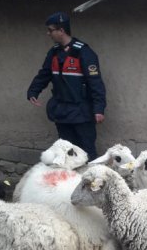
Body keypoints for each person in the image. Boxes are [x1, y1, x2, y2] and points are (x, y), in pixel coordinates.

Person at [27, 12, 106, 158]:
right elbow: (45, 74)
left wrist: (99, 109)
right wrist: (33, 91)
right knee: (66, 153)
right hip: (62, 111)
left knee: (87, 152)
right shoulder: (54, 52)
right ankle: (71, 181)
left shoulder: (84, 52)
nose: (48, 33)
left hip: (81, 112)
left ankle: (92, 180)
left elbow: (95, 83)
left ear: (61, 31)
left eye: (51, 30)